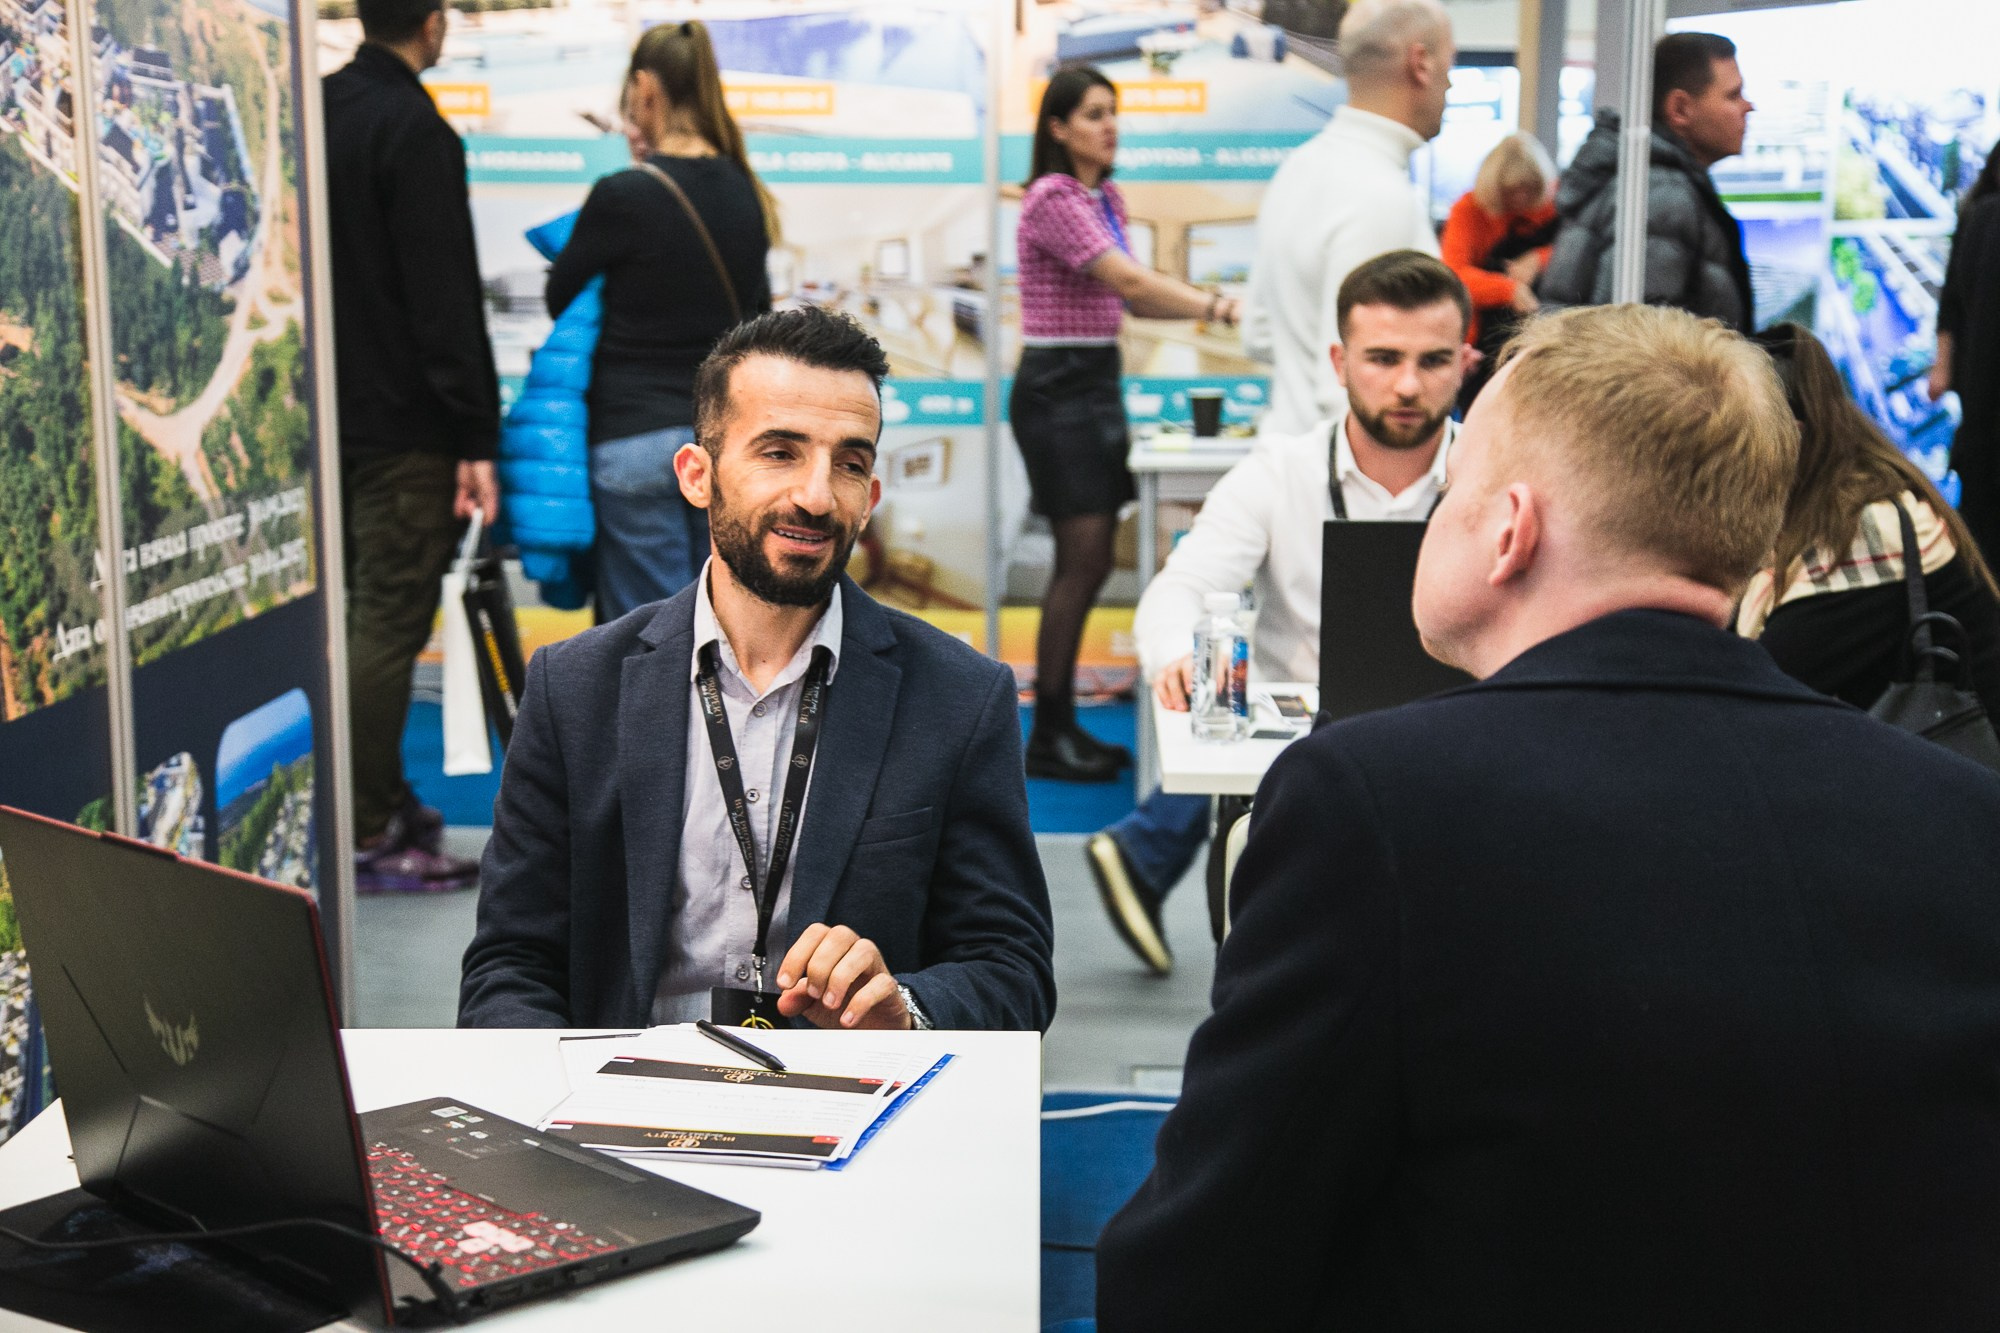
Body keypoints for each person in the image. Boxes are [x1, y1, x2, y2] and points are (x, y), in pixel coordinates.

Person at [1096, 303, 2000, 1328]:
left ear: (1509, 531)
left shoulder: (1373, 805)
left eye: (1453, 491)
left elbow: (1208, 1257)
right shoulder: (1960, 814)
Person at [460, 307, 1056, 1033]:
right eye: (780, 452)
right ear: (697, 475)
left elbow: (1012, 969)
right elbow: (511, 963)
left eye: (850, 463)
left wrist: (904, 1010)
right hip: (622, 1087)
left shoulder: (958, 697)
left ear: (870, 497)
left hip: (852, 1088)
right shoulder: (576, 688)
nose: (816, 495)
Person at [1086, 252, 1467, 974]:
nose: (1408, 385)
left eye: (1433, 360)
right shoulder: (1278, 473)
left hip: (1461, 772)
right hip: (1305, 778)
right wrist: (1178, 655)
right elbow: (1179, 588)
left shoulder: (1502, 474)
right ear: (1340, 362)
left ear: (1465, 361)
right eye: (1383, 358)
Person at [1011, 65, 1240, 783]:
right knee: (1080, 561)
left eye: (1113, 111)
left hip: (1096, 378)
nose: (1109, 125)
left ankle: (1059, 726)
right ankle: (1048, 730)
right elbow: (1132, 282)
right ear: (1057, 128)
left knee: (1093, 559)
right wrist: (1220, 308)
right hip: (1057, 386)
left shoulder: (1105, 196)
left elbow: (1136, 303)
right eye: (1092, 114)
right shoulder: (1052, 196)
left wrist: (1207, 306)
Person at [324, 0, 500, 892]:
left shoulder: (313, 112)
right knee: (387, 625)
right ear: (433, 24)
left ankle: (380, 799)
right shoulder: (417, 130)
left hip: (320, 427)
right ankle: (363, 828)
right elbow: (443, 300)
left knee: (353, 620)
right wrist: (475, 433)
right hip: (405, 429)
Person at [546, 21, 776, 623]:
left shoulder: (623, 194)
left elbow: (559, 296)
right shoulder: (745, 193)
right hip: (718, 443)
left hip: (631, 439)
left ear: (646, 88)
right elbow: (759, 318)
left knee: (647, 639)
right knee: (719, 626)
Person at [1741, 323, 2000, 719]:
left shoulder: (1866, 524)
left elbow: (1760, 686)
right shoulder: (1851, 491)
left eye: (1729, 441)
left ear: (1790, 439)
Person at [1242, 0, 1453, 435]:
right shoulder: (1379, 196)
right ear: (1421, 64)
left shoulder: (1300, 168)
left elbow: (1258, 333)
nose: (1450, 85)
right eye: (1451, 65)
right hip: (1343, 472)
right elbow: (1348, 391)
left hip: (1291, 455)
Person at [1539, 31, 1756, 331]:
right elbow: (1635, 342)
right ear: (1680, 109)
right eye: (1733, 95)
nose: (1748, 107)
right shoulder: (1660, 196)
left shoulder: (1644, 181)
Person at [1439, 131, 1558, 407]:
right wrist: (1508, 289)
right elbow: (1453, 274)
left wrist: (1539, 259)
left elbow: (1573, 249)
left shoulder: (1550, 210)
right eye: (1512, 190)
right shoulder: (1468, 211)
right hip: (1478, 339)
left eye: (1528, 188)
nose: (1521, 198)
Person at [1932, 146, 2000, 563]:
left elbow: (1951, 304)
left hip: (1978, 431)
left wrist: (1942, 366)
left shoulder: (1977, 215)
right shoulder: (1987, 219)